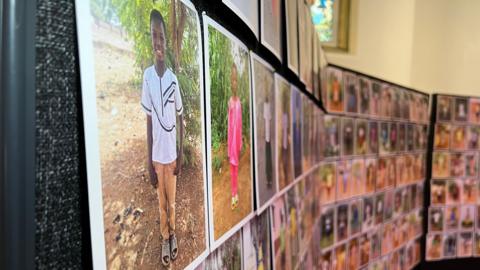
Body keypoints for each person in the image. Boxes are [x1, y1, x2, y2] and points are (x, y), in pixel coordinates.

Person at [141, 9, 183, 267]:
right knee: (161, 203)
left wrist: (179, 153)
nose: (158, 42)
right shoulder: (146, 77)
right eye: (154, 36)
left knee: (173, 202)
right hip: (157, 157)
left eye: (162, 37)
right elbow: (147, 121)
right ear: (151, 39)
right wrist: (148, 162)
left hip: (171, 157)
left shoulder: (174, 81)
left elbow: (180, 117)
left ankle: (173, 233)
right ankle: (164, 236)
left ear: (167, 42)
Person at [228, 63, 242, 210]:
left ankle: (235, 192)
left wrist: (240, 144)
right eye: (232, 79)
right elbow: (229, 126)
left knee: (236, 168)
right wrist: (229, 144)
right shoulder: (230, 103)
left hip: (237, 142)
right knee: (232, 168)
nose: (234, 83)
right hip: (231, 141)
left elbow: (240, 123)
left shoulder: (239, 103)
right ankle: (233, 194)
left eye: (236, 79)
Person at [263, 95, 273, 188]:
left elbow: (269, 120)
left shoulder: (269, 105)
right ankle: (268, 179)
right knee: (267, 158)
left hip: (269, 137)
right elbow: (265, 120)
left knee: (269, 158)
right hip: (267, 138)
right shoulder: (265, 105)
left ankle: (270, 179)